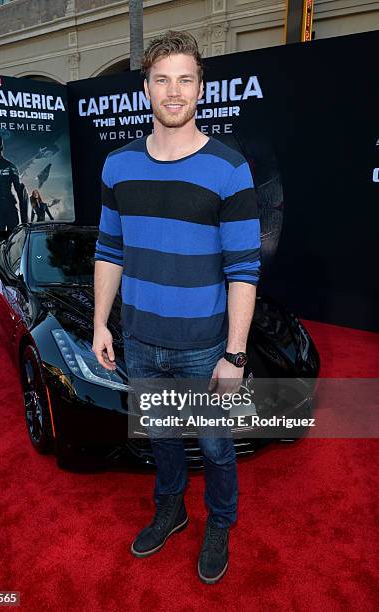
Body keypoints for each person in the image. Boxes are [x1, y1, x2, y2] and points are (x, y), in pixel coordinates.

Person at [92, 30, 261, 584]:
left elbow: (243, 270)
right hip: (140, 342)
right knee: (161, 439)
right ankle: (172, 509)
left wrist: (234, 356)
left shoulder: (229, 168)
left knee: (214, 447)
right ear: (145, 89)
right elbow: (109, 250)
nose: (173, 91)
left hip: (205, 347)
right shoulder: (117, 166)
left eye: (185, 79)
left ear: (200, 89)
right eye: (162, 79)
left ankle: (220, 522)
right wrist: (100, 323)